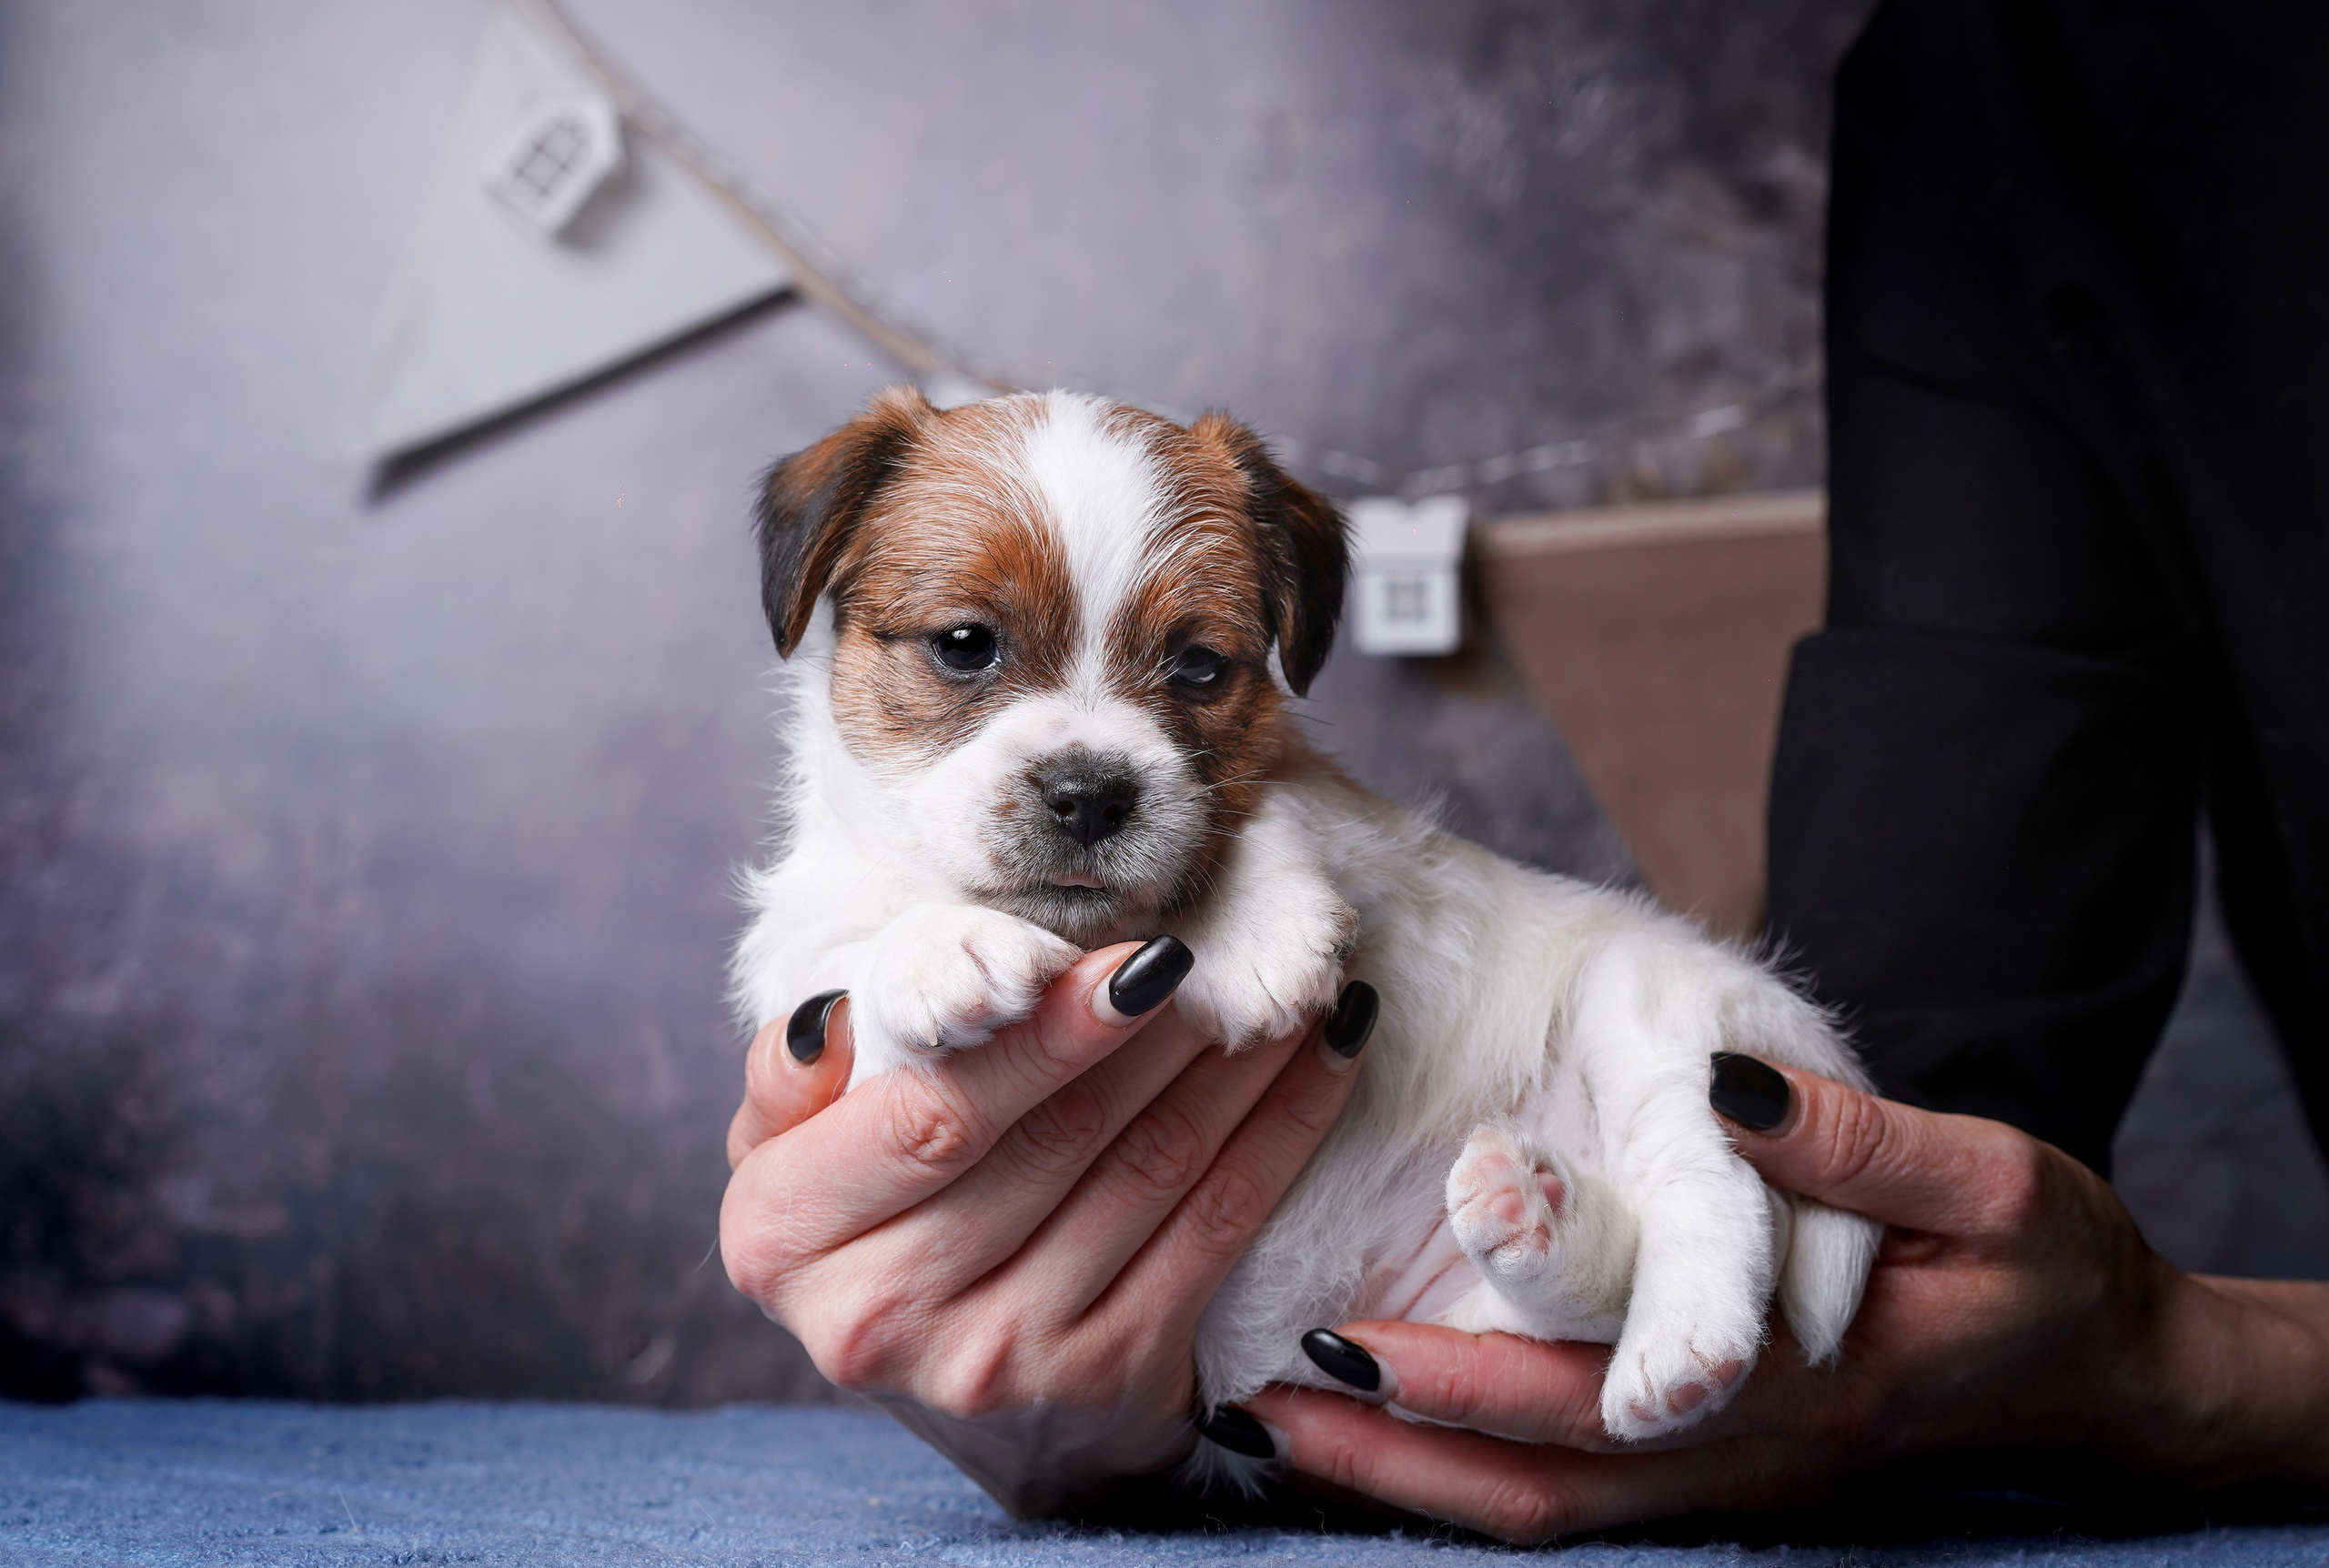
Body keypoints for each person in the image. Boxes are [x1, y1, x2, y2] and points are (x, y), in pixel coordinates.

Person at [721, 0, 2329, 1542]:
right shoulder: (1994, 100)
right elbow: (1954, 1086)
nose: (1078, 762)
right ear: (815, 600)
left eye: (1197, 668)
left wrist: (2175, 1360)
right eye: (966, 651)